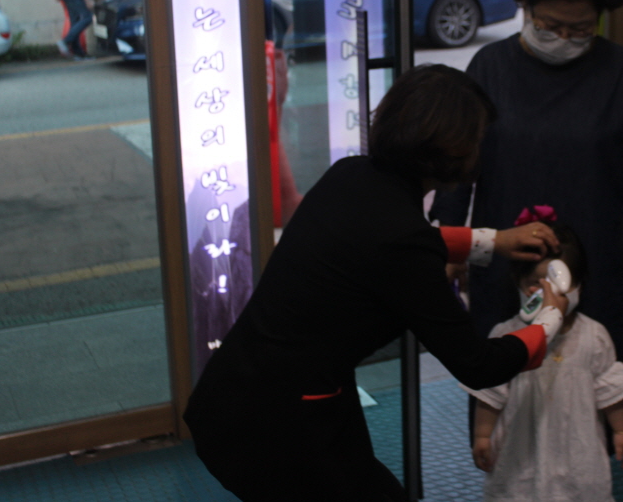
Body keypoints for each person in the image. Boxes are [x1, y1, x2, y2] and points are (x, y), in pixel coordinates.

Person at [184, 65, 569, 502]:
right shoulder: (404, 244)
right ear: (454, 151)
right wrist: (552, 318)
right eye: (478, 140)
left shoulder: (350, 175)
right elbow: (478, 364)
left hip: (236, 392)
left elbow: (387, 239)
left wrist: (494, 241)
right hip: (278, 428)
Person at [430, 0, 623, 372]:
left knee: (597, 372)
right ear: (526, 6)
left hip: (598, 251)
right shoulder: (490, 67)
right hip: (506, 255)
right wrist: (453, 247)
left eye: (580, 28)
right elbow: (457, 163)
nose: (564, 37)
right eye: (550, 25)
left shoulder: (620, 71)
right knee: (501, 373)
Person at [465, 219, 623, 502]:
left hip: (577, 451)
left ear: (579, 286)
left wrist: (621, 430)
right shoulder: (506, 336)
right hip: (521, 450)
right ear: (518, 283)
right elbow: (491, 394)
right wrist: (483, 436)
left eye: (556, 285)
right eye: (534, 284)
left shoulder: (593, 336)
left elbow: (610, 389)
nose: (546, 295)